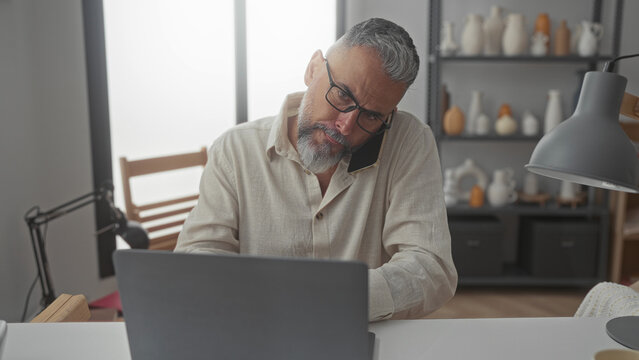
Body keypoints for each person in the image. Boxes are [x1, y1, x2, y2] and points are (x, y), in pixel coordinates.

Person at [174, 17, 457, 321]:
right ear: (312, 69)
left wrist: (322, 298)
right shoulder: (235, 149)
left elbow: (431, 267)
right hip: (255, 334)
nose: (346, 125)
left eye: (372, 116)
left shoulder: (407, 141)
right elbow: (197, 255)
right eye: (342, 95)